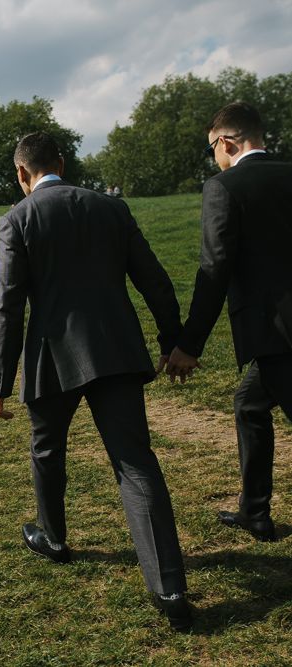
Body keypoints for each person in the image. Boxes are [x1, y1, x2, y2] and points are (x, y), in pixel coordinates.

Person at [0, 132, 191, 632]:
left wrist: (0, 379)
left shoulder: (17, 219)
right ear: (61, 163)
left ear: (22, 175)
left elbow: (8, 307)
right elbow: (154, 278)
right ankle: (169, 586)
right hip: (116, 350)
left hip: (52, 358)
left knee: (46, 450)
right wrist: (172, 339)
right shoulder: (111, 208)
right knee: (135, 463)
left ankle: (53, 537)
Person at [167, 102, 292, 543]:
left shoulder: (225, 187)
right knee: (250, 403)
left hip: (276, 331)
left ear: (226, 142)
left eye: (212, 149)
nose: (214, 159)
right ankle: (254, 513)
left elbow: (214, 269)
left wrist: (189, 344)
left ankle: (254, 512)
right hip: (279, 335)